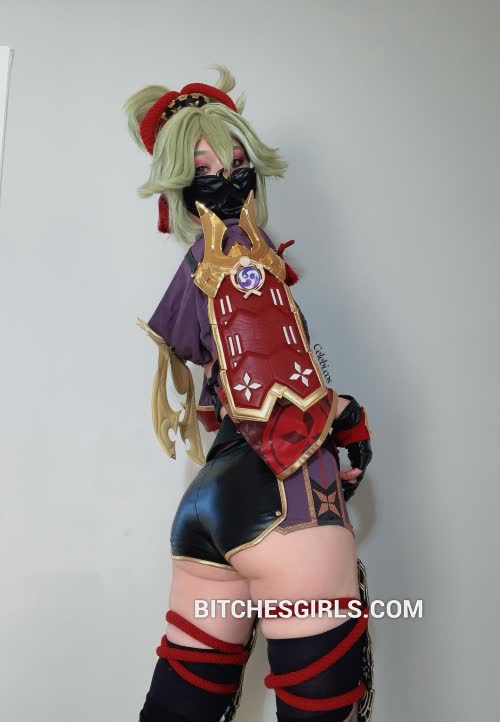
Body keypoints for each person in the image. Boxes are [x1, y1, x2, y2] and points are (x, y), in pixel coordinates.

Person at [123, 65, 374, 722]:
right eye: (206, 167)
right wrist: (346, 417)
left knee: (181, 708)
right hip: (286, 499)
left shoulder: (198, 272)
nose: (230, 177)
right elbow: (275, 384)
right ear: (182, 190)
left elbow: (224, 388)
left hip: (205, 507)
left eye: (238, 162)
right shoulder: (246, 263)